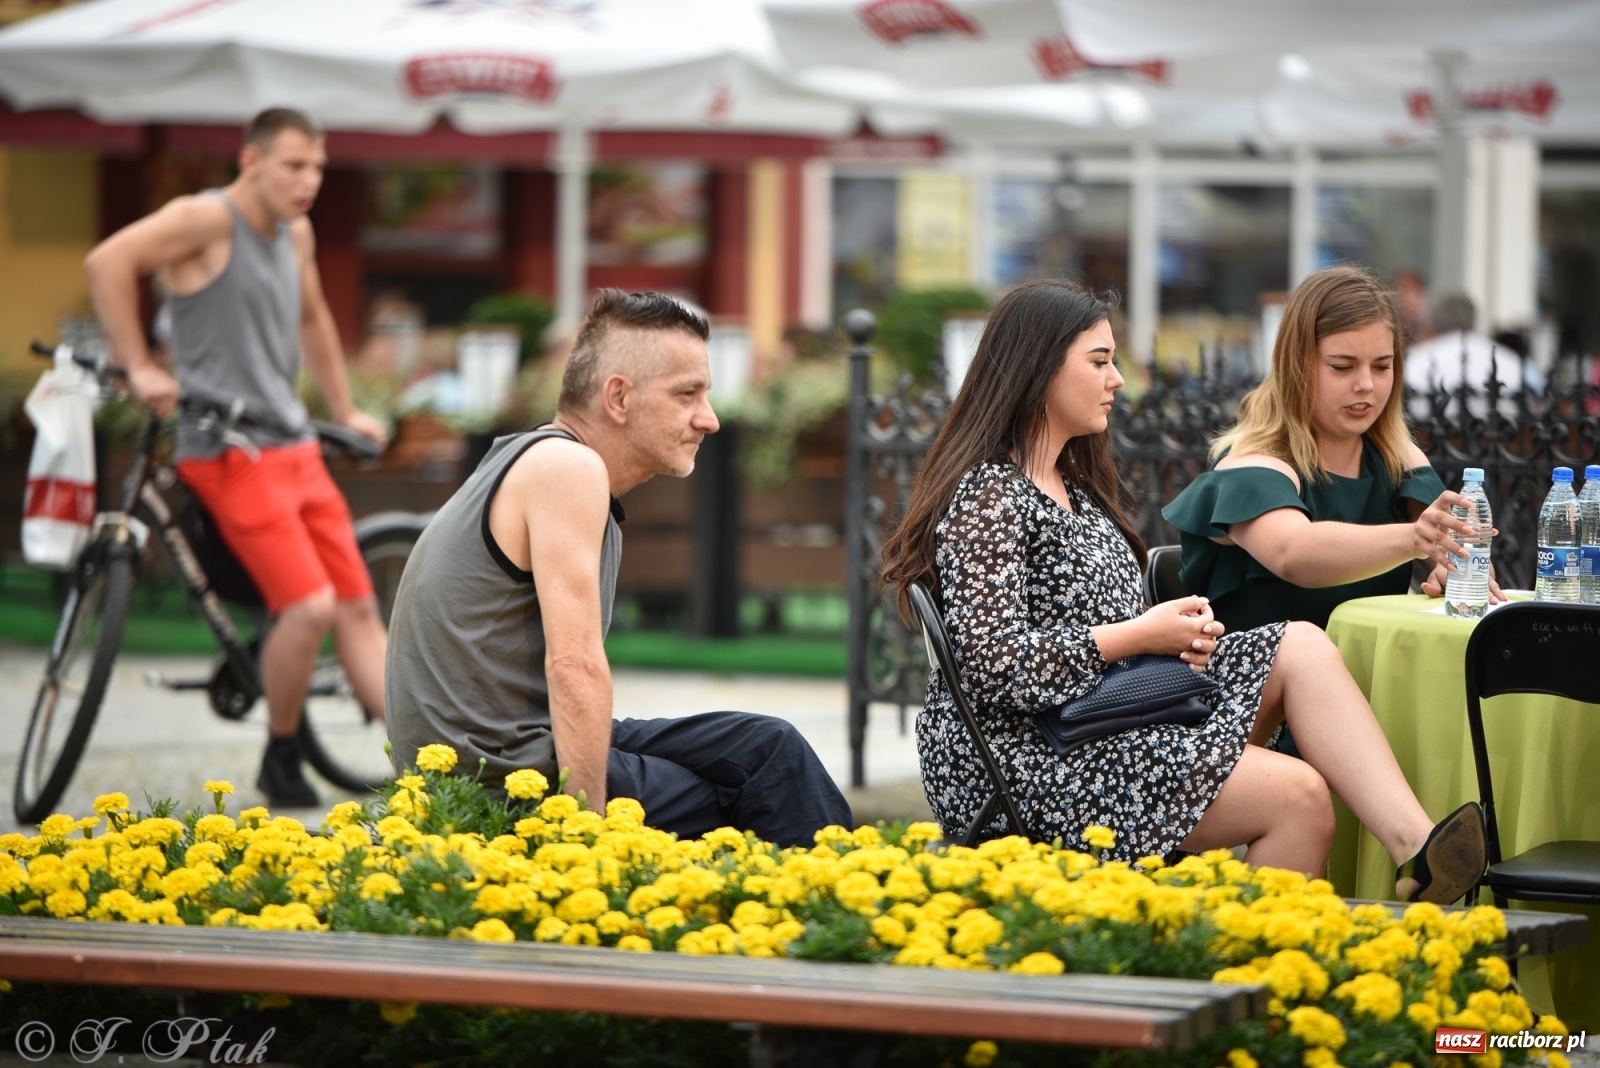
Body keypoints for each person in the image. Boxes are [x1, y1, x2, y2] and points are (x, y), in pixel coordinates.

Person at [879, 278, 1485, 903]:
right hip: (1029, 757)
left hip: (1104, 719)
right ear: (1037, 372)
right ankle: (1233, 983)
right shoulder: (990, 496)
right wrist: (1140, 635)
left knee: (1301, 645)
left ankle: (1419, 847)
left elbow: (1101, 634)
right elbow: (997, 669)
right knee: (1299, 794)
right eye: (1100, 362)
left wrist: (1174, 640)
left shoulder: (1074, 490)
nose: (1118, 380)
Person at [385, 290, 851, 848]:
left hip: (511, 750)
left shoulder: (539, 455)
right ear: (619, 397)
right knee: (755, 792)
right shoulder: (568, 467)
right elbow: (574, 667)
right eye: (687, 395)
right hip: (495, 783)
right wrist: (586, 838)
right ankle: (832, 912)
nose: (711, 419)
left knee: (769, 747)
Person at [84, 107, 389, 809]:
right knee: (307, 607)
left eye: (317, 166)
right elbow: (107, 261)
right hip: (227, 451)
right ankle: (281, 757)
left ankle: (424, 771)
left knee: (357, 610)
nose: (308, 180)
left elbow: (312, 316)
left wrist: (343, 409)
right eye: (293, 165)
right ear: (251, 161)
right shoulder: (205, 219)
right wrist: (138, 363)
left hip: (294, 442)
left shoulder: (298, 230)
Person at [1162, 266, 1503, 638]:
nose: (1366, 385)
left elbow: (1463, 553)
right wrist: (1412, 539)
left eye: (1382, 366)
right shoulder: (1252, 459)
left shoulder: (1396, 454)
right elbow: (1294, 552)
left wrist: (1457, 569)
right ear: (1296, 366)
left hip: (1364, 671)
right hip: (1253, 684)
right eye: (1343, 367)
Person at [1404, 291, 1544, 421]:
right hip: (1503, 443)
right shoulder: (1512, 362)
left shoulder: (1414, 360)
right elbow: (1537, 409)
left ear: (1431, 325)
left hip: (1427, 445)